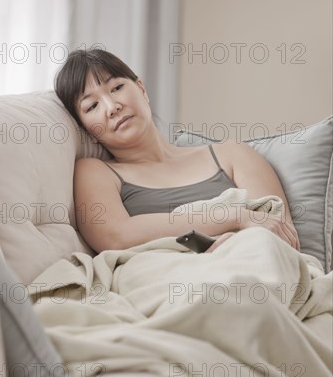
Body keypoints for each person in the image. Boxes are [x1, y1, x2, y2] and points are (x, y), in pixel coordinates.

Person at [54, 49, 300, 254]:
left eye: (116, 87)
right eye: (92, 105)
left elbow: (280, 234)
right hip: (172, 285)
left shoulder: (232, 154)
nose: (112, 107)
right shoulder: (94, 172)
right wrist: (233, 216)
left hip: (251, 269)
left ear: (142, 89)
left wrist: (234, 249)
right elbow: (115, 236)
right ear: (88, 131)